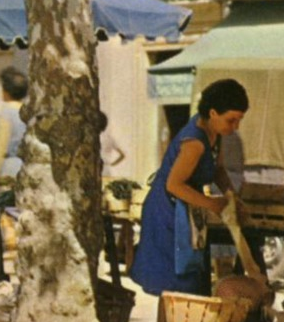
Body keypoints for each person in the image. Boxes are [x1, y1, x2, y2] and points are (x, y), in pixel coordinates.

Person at [130, 78, 249, 301]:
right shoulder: (194, 142)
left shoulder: (215, 133)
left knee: (191, 285)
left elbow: (218, 170)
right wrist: (213, 204)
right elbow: (174, 185)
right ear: (213, 113)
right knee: (174, 289)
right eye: (231, 120)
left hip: (187, 211)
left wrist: (231, 196)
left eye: (239, 121)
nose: (236, 127)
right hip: (167, 214)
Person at [0, 67, 29, 178]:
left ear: (5, 91)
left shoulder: (6, 113)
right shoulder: (28, 111)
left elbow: (1, 146)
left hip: (11, 166)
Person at [98, 111, 127, 175]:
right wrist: (112, 164)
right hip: (106, 168)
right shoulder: (109, 138)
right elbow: (122, 155)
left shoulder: (91, 138)